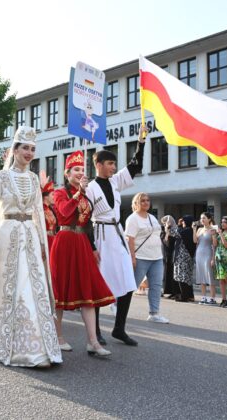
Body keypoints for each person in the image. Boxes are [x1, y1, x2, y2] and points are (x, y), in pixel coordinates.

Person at [0, 126, 62, 368]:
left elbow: (38, 212)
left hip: (29, 238)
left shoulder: (34, 178)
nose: (29, 152)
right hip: (6, 235)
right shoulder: (0, 177)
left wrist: (41, 243)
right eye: (25, 147)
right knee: (8, 288)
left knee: (31, 288)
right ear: (14, 150)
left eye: (33, 149)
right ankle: (5, 343)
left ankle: (35, 349)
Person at [85, 124, 147, 346]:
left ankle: (119, 328)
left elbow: (135, 166)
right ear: (99, 164)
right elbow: (84, 220)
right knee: (100, 284)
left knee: (128, 282)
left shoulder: (114, 181)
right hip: (100, 236)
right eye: (110, 163)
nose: (114, 167)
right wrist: (91, 247)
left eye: (114, 164)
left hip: (117, 234)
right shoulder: (90, 188)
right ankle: (97, 332)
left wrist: (140, 143)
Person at [51, 150, 114, 357]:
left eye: (81, 169)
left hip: (81, 243)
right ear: (67, 173)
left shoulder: (87, 194)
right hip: (65, 241)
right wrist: (78, 194)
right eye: (75, 170)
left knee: (88, 292)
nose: (80, 173)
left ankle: (93, 342)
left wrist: (93, 247)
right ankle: (58, 337)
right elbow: (64, 213)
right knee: (60, 290)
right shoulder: (61, 193)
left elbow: (87, 224)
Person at [125, 192, 168, 323]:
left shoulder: (152, 218)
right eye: (142, 200)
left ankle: (154, 313)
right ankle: (117, 305)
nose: (146, 202)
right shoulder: (133, 219)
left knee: (156, 285)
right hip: (140, 257)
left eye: (148, 200)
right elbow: (130, 239)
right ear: (136, 203)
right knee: (132, 285)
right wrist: (132, 257)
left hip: (157, 257)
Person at [194, 212, 218, 305]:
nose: (202, 220)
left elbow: (215, 244)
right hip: (199, 253)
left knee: (210, 276)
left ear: (209, 219)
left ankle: (212, 298)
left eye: (204, 218)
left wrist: (213, 258)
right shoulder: (199, 229)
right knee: (201, 276)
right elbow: (195, 241)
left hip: (208, 253)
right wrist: (194, 229)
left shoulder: (213, 229)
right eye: (201, 218)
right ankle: (203, 297)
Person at [174, 215, 196, 302]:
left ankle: (184, 296)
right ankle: (190, 296)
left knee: (181, 277)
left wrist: (172, 225)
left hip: (182, 257)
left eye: (183, 221)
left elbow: (174, 233)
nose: (182, 223)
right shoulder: (190, 230)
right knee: (187, 278)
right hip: (189, 257)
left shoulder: (186, 231)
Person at [161, 215, 179, 300]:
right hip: (165, 254)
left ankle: (175, 292)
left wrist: (168, 230)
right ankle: (168, 291)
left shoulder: (175, 230)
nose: (165, 224)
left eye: (166, 222)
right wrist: (166, 230)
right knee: (167, 273)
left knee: (172, 273)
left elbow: (168, 241)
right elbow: (164, 241)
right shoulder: (164, 230)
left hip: (172, 253)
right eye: (164, 222)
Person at [40, 176, 58, 252]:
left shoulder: (51, 209)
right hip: (44, 241)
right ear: (46, 197)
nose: (55, 197)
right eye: (53, 194)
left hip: (53, 240)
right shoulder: (40, 210)